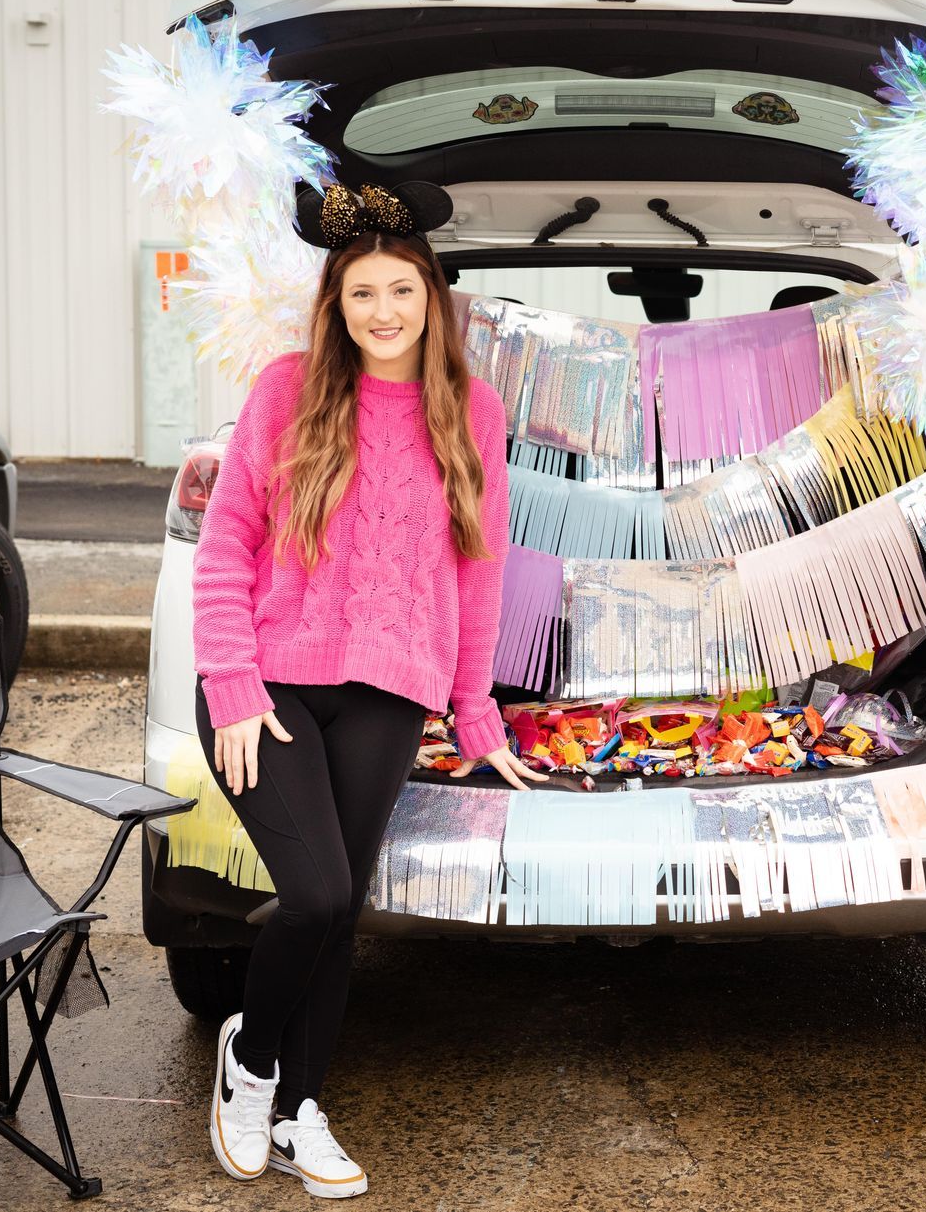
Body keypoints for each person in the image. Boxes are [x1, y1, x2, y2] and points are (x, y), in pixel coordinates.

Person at [192, 180, 547, 1199]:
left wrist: (474, 708)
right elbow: (226, 547)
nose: (383, 312)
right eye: (362, 295)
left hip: (393, 686)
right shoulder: (286, 391)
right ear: (335, 307)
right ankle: (252, 1065)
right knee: (316, 892)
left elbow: (480, 566)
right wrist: (232, 688)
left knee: (343, 911)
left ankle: (303, 1111)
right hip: (272, 679)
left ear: (432, 297)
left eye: (401, 290)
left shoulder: (471, 410)